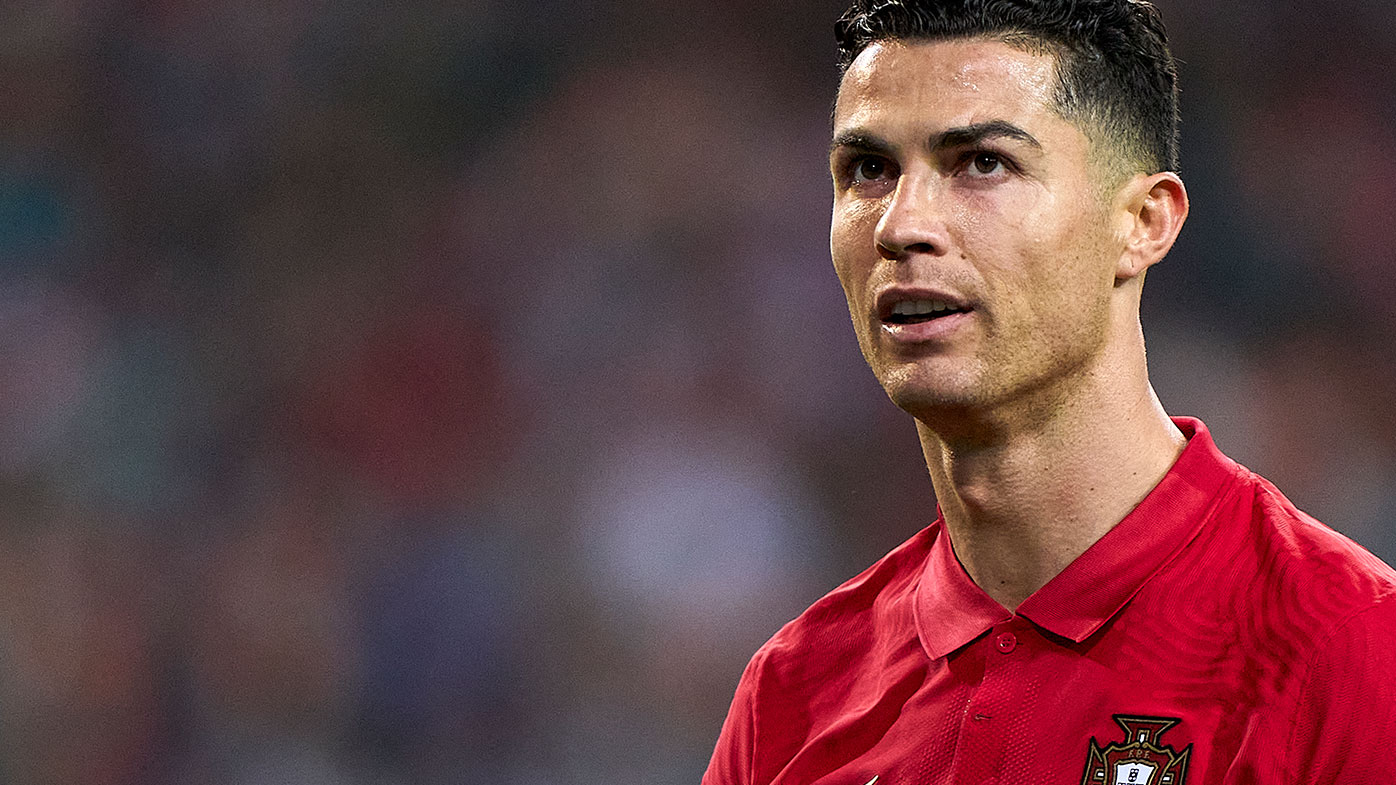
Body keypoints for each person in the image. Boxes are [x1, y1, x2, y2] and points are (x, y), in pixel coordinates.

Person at [701, 1, 1396, 783]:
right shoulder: (794, 694)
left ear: (1141, 221)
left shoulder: (1350, 651)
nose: (901, 224)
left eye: (982, 162)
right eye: (870, 169)